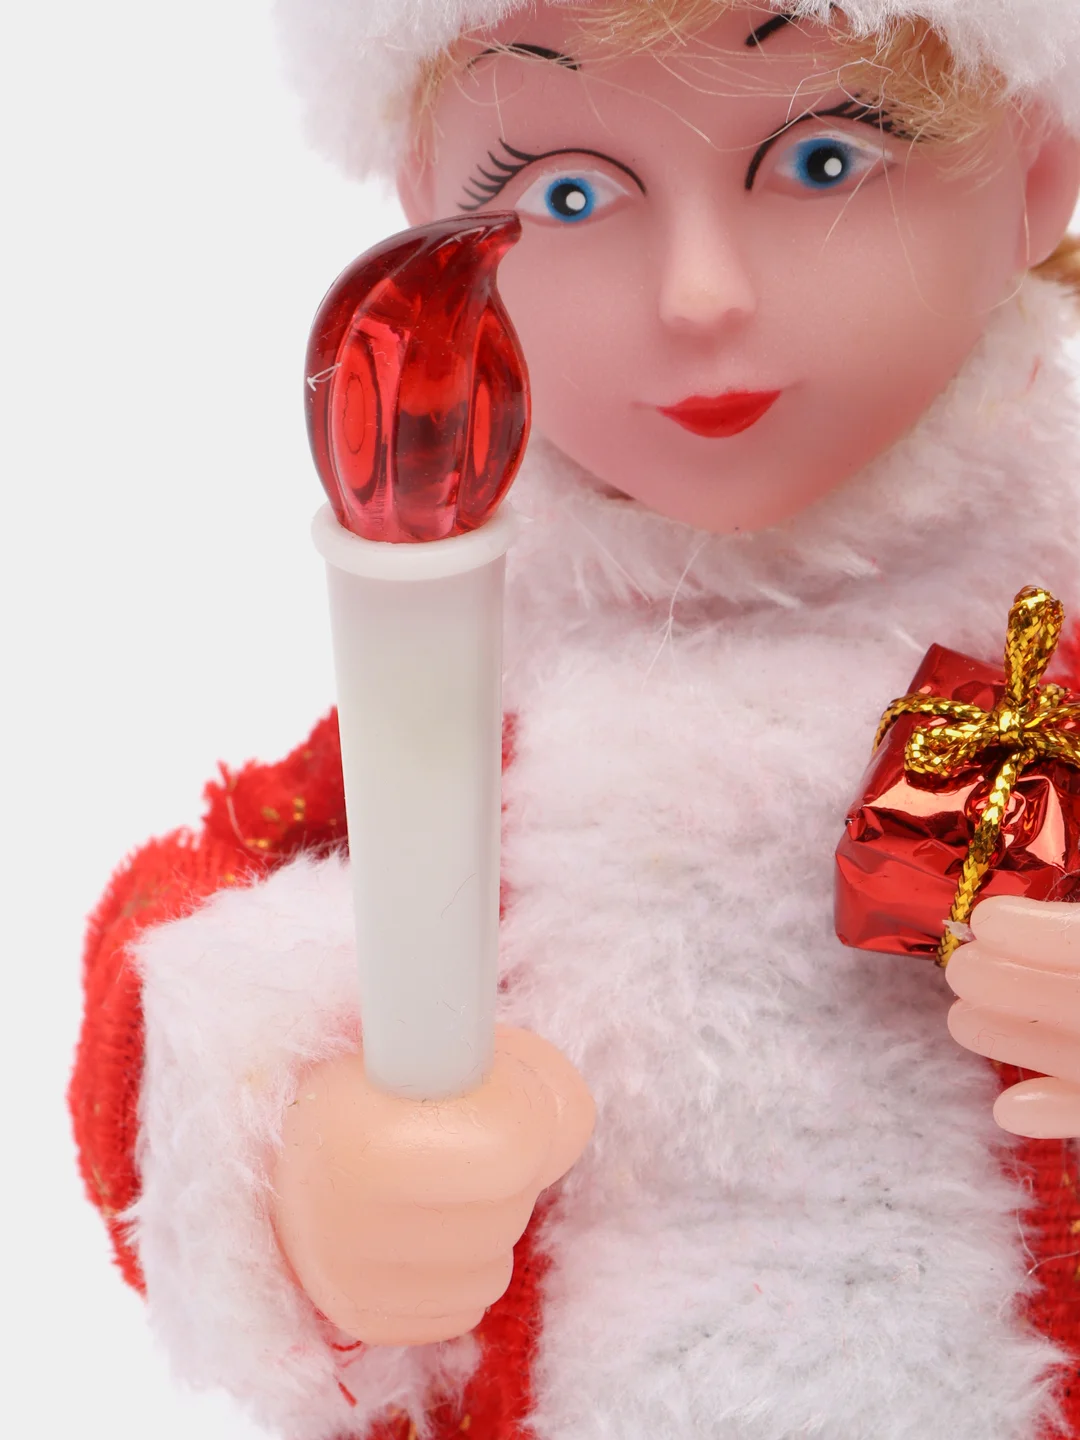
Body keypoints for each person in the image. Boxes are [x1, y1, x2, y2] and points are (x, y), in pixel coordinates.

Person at [71, 2, 1080, 1436]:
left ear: (1038, 175)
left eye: (826, 163)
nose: (700, 294)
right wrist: (287, 1149)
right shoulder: (470, 671)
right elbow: (196, 920)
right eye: (567, 195)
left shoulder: (1047, 621)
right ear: (431, 222)